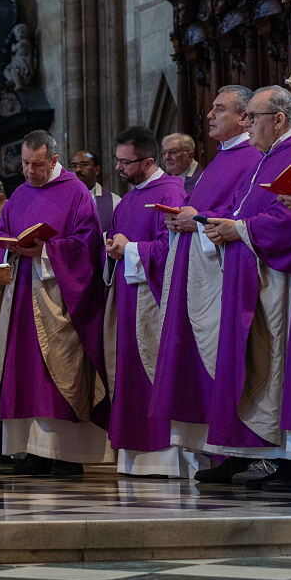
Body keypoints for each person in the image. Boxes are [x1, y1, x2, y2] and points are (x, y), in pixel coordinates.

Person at [199, 85, 291, 492]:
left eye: (253, 117)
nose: (247, 125)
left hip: (286, 282)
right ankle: (284, 459)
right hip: (261, 275)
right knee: (271, 373)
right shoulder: (271, 156)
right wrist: (226, 225)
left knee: (289, 370)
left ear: (280, 120)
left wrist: (242, 229)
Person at [151, 86, 259, 477]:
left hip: (220, 279)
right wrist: (187, 218)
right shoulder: (222, 159)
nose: (209, 116)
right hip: (195, 270)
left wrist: (194, 219)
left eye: (219, 109)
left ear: (245, 118)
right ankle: (217, 451)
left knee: (221, 362)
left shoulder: (250, 159)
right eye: (210, 108)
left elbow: (238, 216)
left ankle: (237, 453)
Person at [0, 129, 109, 475]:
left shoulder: (76, 193)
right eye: (25, 164)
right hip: (21, 297)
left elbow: (87, 246)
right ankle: (31, 451)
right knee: (24, 373)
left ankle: (64, 455)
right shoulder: (20, 195)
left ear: (53, 160)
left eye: (36, 164)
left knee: (56, 375)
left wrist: (46, 251)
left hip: (57, 297)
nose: (29, 172)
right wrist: (9, 246)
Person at [102, 126, 191, 477]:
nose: (119, 168)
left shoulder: (169, 193)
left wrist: (130, 249)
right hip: (129, 299)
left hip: (155, 302)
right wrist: (113, 250)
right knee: (130, 377)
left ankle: (166, 457)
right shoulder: (127, 201)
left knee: (155, 372)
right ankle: (136, 456)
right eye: (117, 160)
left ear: (149, 160)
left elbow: (176, 249)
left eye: (126, 162)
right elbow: (119, 245)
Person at [69, 149, 120, 235]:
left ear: (97, 170)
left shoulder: (115, 202)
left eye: (84, 165)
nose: (77, 170)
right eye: (73, 166)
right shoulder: (61, 200)